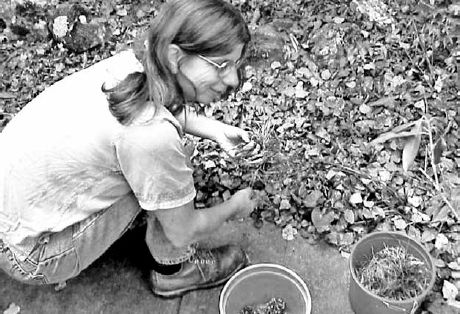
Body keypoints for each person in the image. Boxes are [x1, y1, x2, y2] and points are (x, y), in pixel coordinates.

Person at [0, 0, 258, 298]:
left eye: (236, 65)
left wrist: (215, 130)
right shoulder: (152, 135)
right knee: (169, 171)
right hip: (30, 255)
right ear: (176, 56)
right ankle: (173, 273)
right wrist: (234, 207)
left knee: (159, 168)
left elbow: (155, 103)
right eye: (221, 65)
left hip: (11, 211)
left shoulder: (130, 64)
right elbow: (183, 230)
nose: (233, 79)